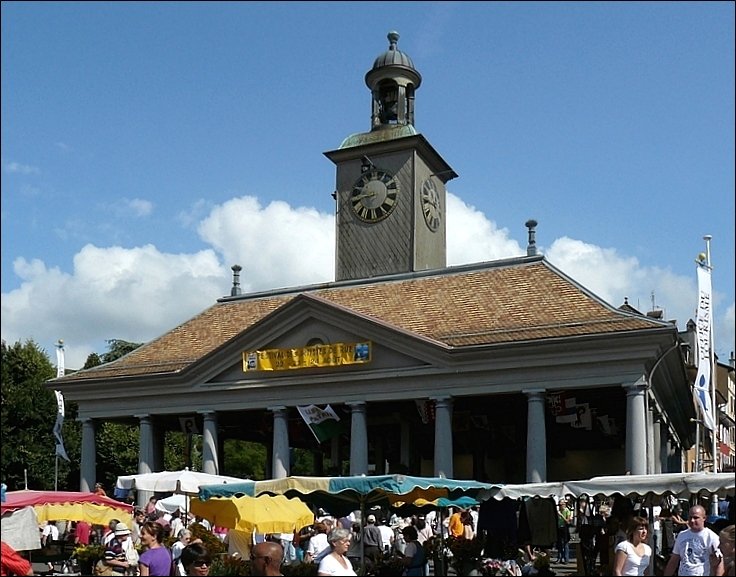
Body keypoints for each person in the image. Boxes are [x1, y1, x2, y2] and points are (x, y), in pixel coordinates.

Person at [663, 504, 723, 576]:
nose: (692, 520)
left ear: (704, 518)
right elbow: (674, 560)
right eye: (690, 517)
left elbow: (719, 562)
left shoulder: (712, 537)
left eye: (696, 517)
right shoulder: (682, 535)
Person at [556, 499, 573, 563]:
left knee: (565, 544)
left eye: (561, 504)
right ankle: (559, 558)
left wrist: (561, 515)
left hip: (565, 528)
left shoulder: (567, 510)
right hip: (559, 528)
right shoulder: (558, 511)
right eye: (559, 505)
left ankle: (566, 559)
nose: (560, 506)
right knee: (559, 544)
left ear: (564, 504)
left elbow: (567, 521)